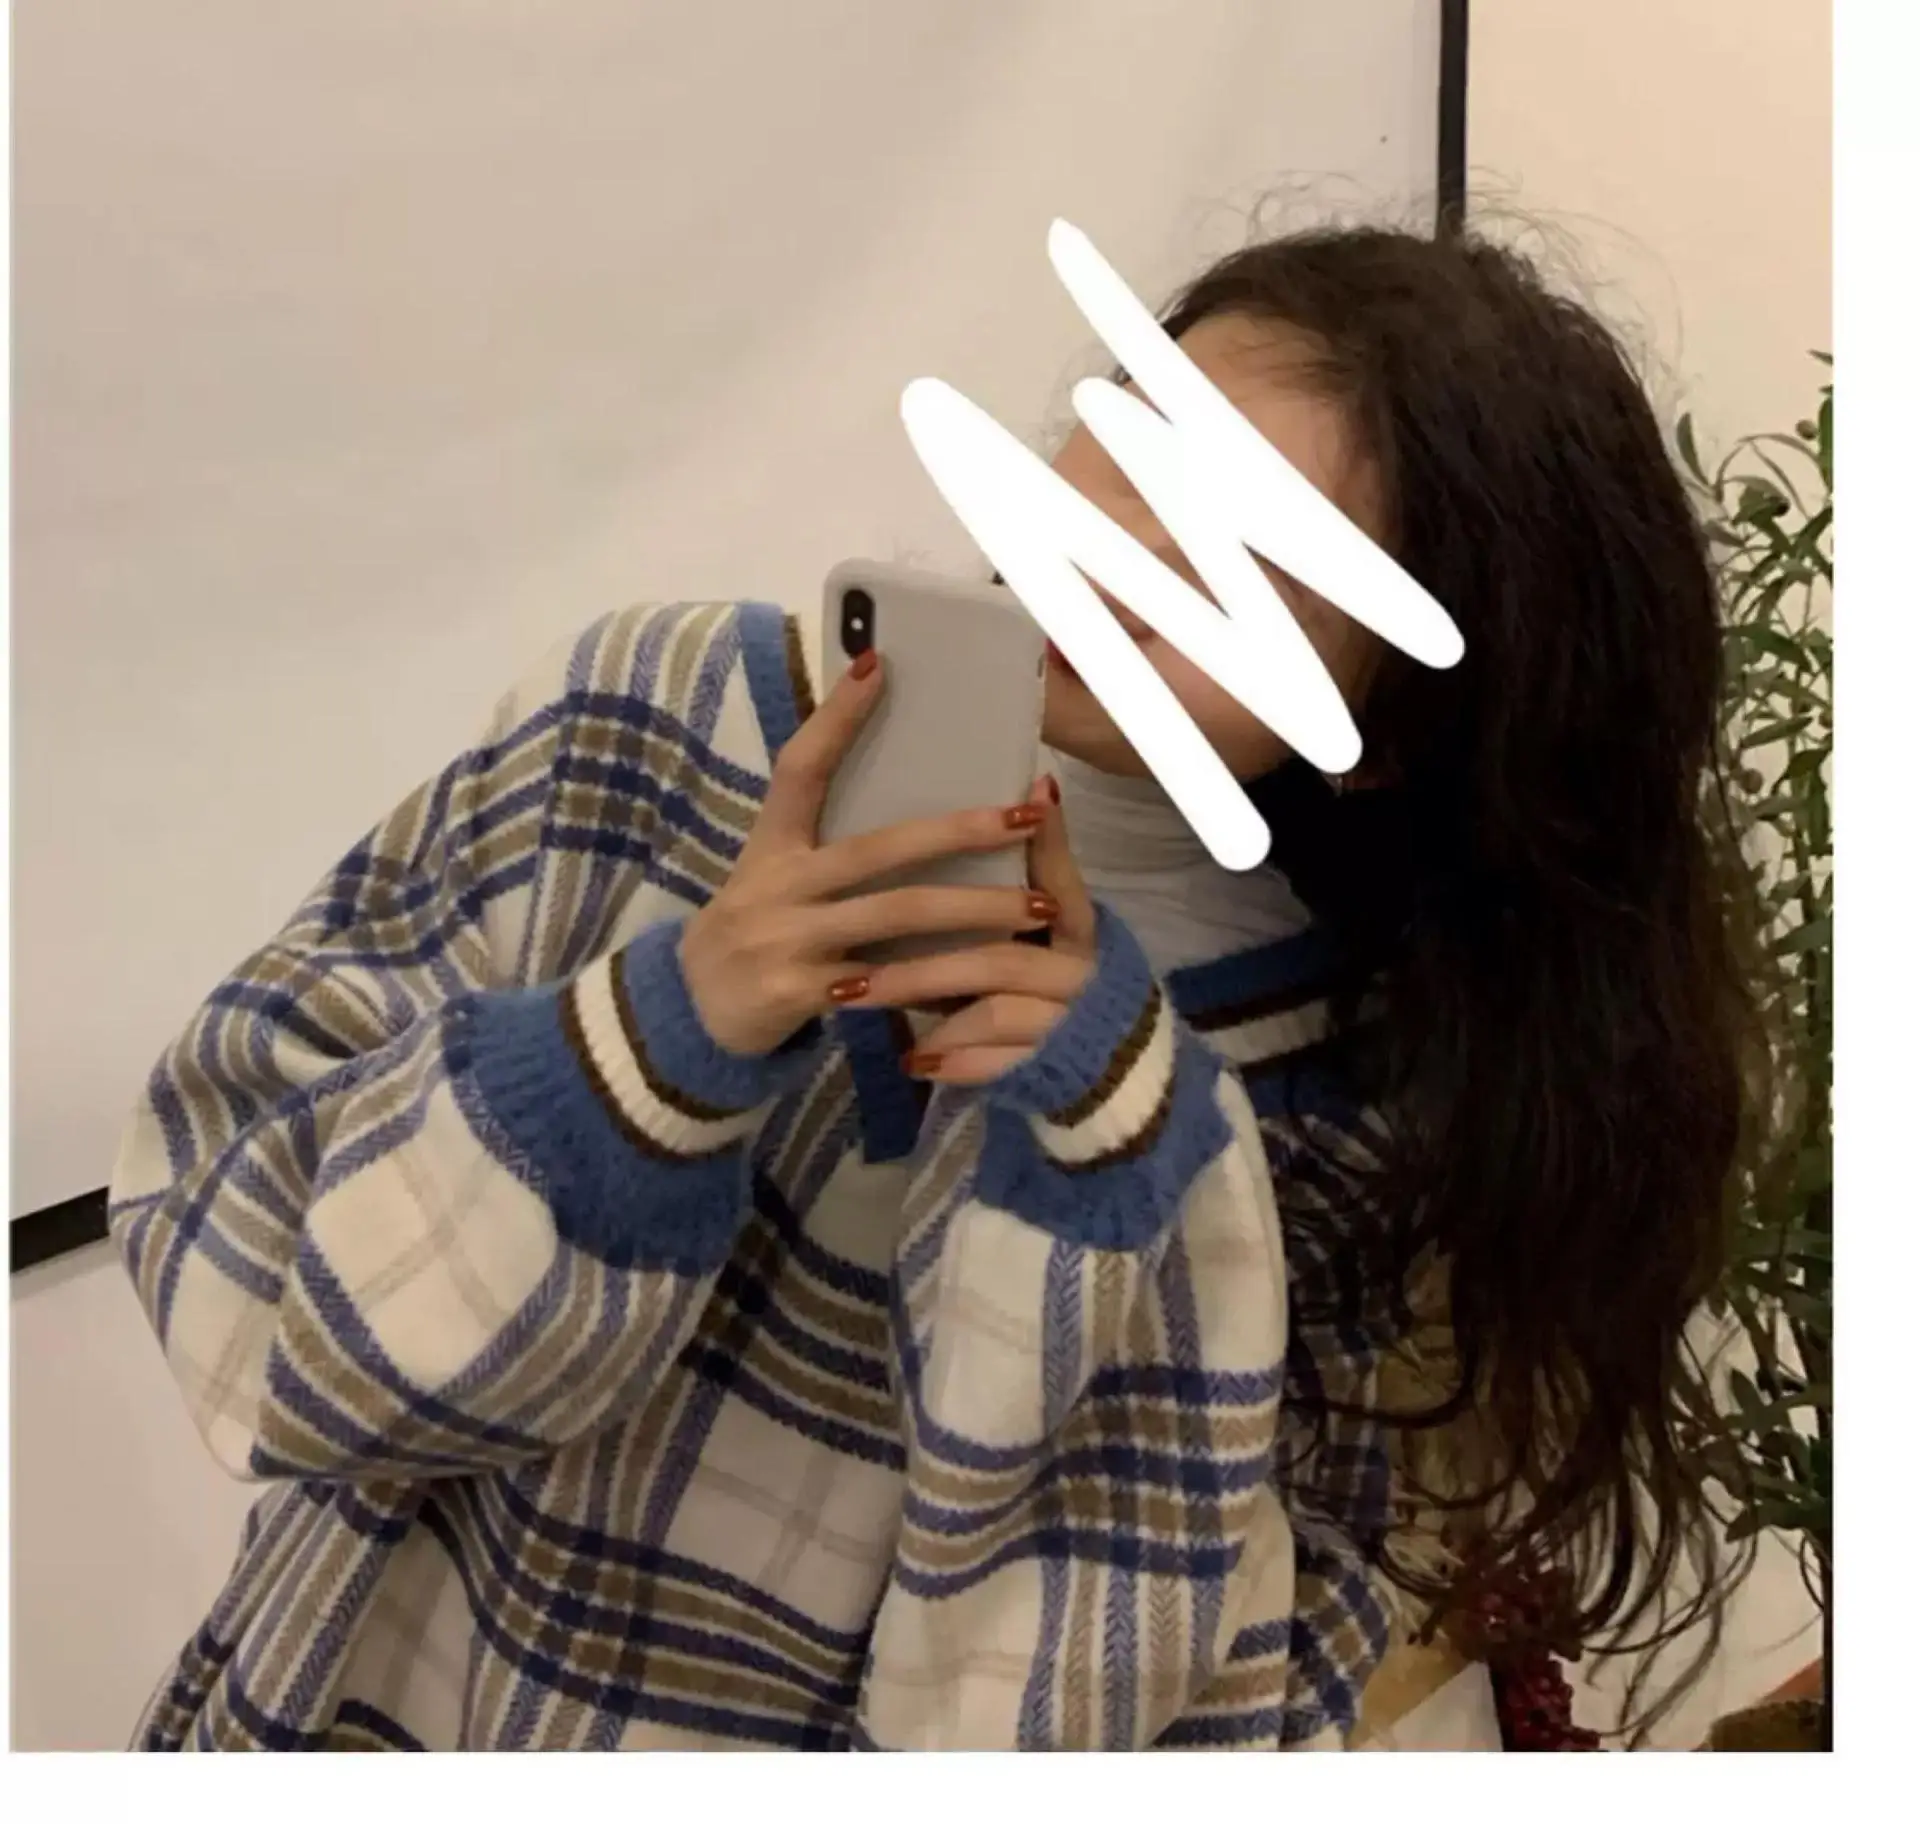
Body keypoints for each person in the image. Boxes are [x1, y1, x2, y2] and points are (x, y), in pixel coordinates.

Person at [109, 224, 1761, 1751]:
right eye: (1142, 442)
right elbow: (232, 1274)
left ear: (1386, 729)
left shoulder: (1341, 1106)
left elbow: (1112, 1726)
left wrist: (1114, 1161)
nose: (1113, 553)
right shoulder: (653, 722)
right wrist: (654, 1040)